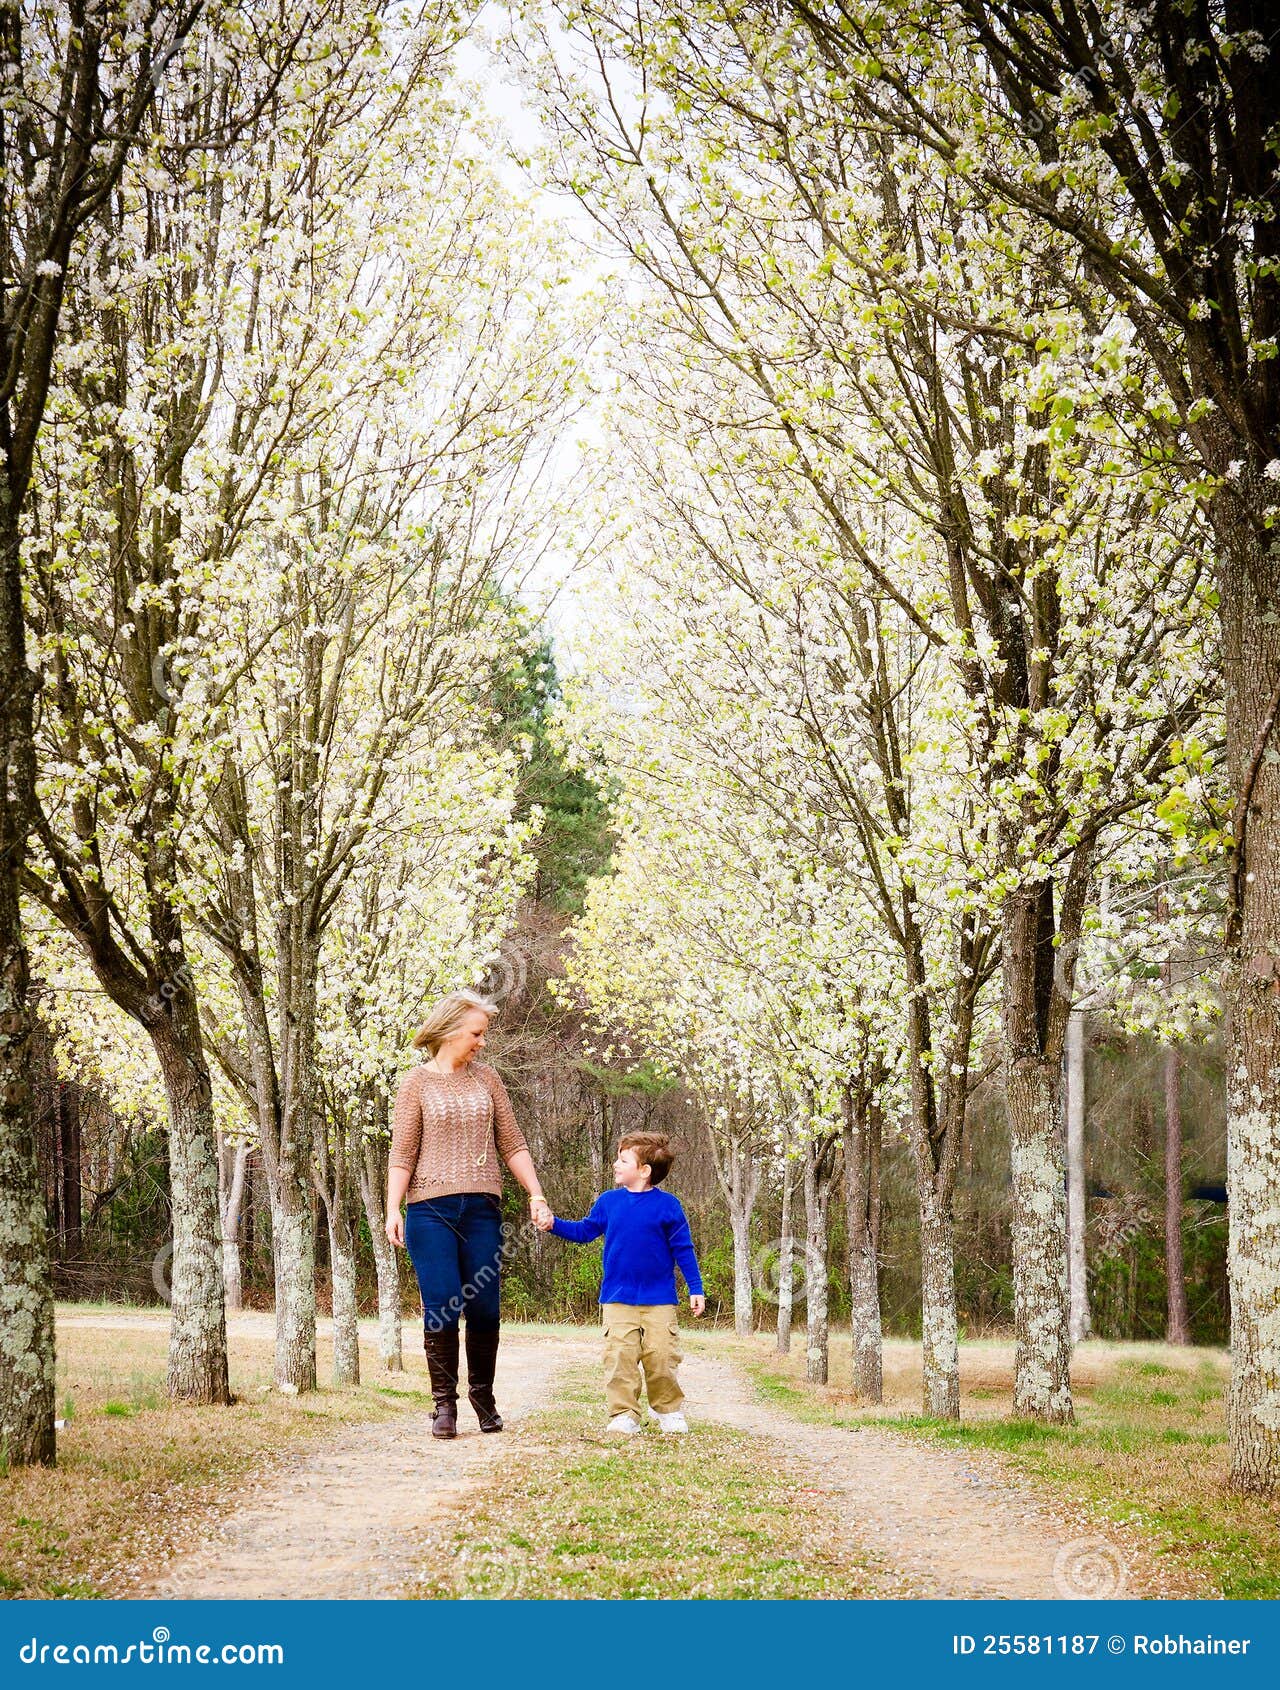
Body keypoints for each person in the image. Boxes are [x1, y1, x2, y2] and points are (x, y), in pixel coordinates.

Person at [386, 989, 551, 1439]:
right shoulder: (415, 1083)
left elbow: (512, 1142)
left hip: (481, 1209)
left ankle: (483, 1396)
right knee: (441, 1304)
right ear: (450, 1029)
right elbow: (403, 1152)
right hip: (429, 1211)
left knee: (484, 1307)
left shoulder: (488, 1079)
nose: (482, 1041)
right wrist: (392, 1208)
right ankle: (444, 1405)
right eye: (476, 1033)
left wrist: (536, 1193)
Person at [536, 1132, 705, 1433]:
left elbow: (684, 1249)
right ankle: (624, 1414)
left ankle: (667, 1410)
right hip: (617, 1298)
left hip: (659, 1300)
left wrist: (696, 1288)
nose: (615, 1164)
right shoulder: (608, 1202)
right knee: (620, 1359)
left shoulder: (668, 1206)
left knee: (662, 1357)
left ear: (644, 1170)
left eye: (623, 1160)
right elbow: (584, 1231)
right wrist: (553, 1224)